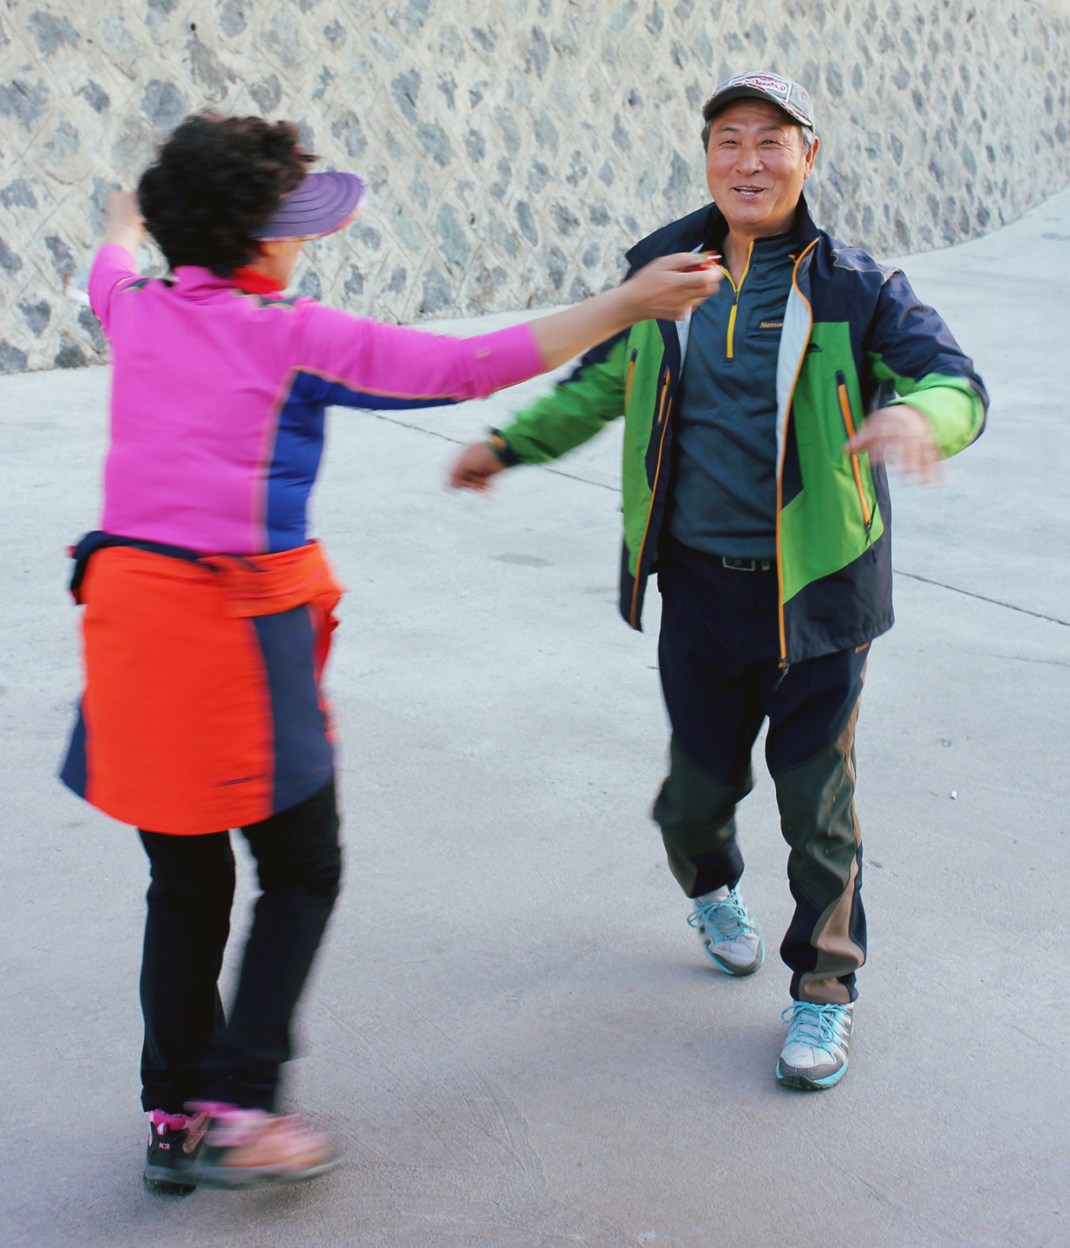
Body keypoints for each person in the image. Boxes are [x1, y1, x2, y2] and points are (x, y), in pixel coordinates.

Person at [59, 110, 720, 1194]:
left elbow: (108, 266)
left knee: (182, 881)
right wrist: (629, 302)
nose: (308, 241)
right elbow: (465, 368)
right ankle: (240, 1106)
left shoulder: (136, 309)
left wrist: (125, 225)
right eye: (296, 224)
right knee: (300, 868)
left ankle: (175, 1110)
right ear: (263, 241)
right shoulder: (291, 333)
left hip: (127, 627)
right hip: (231, 629)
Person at [450, 71, 988, 1092]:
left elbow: (951, 379)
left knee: (814, 801)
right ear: (706, 158)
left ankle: (822, 994)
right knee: (693, 796)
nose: (748, 160)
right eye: (727, 141)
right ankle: (709, 885)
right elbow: (601, 383)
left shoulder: (855, 289)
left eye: (771, 141)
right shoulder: (667, 276)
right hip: (699, 587)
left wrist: (923, 418)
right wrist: (507, 445)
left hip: (820, 592)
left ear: (807, 158)